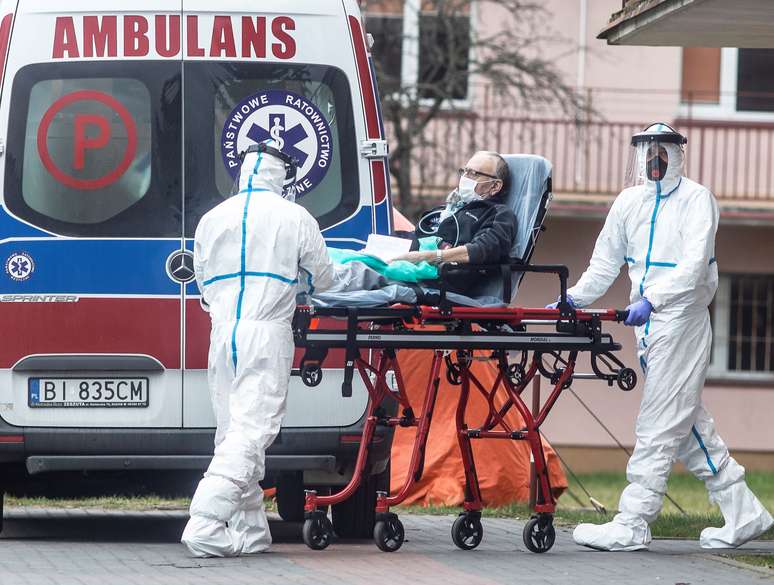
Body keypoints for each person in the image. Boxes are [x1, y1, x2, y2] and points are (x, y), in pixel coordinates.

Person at [553, 123, 773, 551]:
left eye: (663, 151)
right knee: (684, 421)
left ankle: (634, 519)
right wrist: (571, 299)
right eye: (648, 151)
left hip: (682, 319)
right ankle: (743, 511)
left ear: (678, 155)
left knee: (657, 422)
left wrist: (653, 299)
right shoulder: (628, 202)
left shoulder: (697, 200)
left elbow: (693, 268)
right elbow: (603, 265)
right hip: (649, 322)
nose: (655, 159)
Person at [181, 140, 336, 557]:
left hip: (223, 331)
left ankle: (250, 531)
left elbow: (202, 281)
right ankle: (205, 523)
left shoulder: (212, 219)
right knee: (252, 433)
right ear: (281, 175)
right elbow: (325, 278)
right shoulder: (295, 216)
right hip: (266, 333)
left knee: (232, 431)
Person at [394, 150, 517, 295]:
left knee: (364, 273)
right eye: (464, 171)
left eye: (473, 173)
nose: (464, 178)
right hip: (407, 269)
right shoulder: (447, 210)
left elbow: (480, 250)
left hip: (433, 282)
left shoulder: (498, 214)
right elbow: (418, 236)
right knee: (364, 259)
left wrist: (426, 257)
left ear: (495, 186)